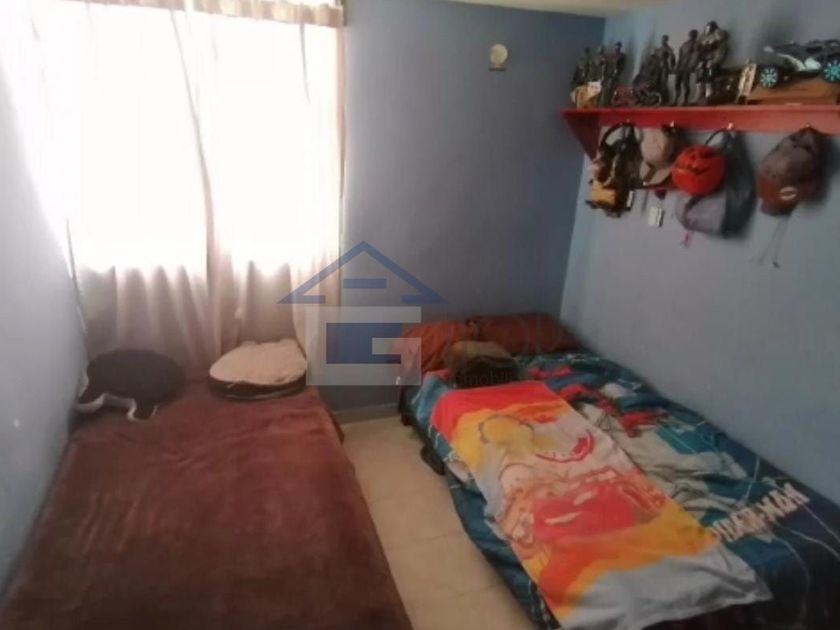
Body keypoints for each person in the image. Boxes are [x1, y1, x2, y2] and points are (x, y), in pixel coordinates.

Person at [696, 21, 730, 104]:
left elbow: (720, 55)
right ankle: (699, 96)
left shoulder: (721, 44)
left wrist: (713, 62)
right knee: (699, 77)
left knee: (709, 78)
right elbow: (702, 52)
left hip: (713, 63)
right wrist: (701, 62)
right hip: (705, 61)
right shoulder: (704, 40)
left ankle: (709, 96)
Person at [674, 30, 700, 105]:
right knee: (677, 83)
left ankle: (685, 101)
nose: (691, 35)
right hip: (680, 66)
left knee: (685, 84)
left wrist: (691, 65)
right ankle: (676, 100)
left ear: (695, 35)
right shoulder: (684, 44)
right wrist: (676, 66)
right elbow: (680, 56)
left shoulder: (696, 44)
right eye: (691, 34)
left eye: (693, 34)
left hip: (687, 67)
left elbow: (696, 56)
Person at [654, 35, 676, 104]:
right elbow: (654, 59)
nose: (663, 40)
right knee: (656, 82)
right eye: (662, 39)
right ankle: (656, 99)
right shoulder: (658, 49)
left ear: (666, 40)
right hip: (657, 67)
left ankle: (665, 100)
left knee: (663, 83)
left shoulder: (668, 48)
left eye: (664, 39)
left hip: (664, 67)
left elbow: (672, 58)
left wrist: (672, 67)